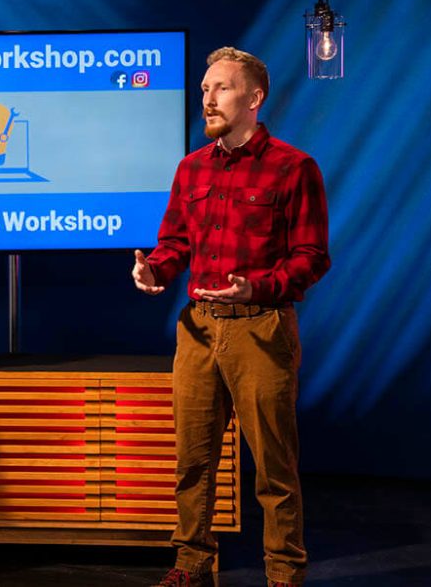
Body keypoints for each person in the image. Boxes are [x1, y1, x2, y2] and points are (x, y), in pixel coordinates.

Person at [132, 47, 330, 587]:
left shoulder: (294, 168)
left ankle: (284, 573)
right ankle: (192, 564)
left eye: (220, 88)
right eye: (203, 90)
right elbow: (174, 240)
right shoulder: (191, 168)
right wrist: (156, 269)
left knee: (273, 467)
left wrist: (259, 286)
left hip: (260, 327)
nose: (207, 99)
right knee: (193, 462)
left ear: (254, 98)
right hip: (197, 329)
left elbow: (312, 257)